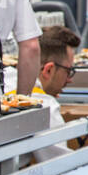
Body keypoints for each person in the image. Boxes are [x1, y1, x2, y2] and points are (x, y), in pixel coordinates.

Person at [28, 25, 81, 161]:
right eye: (68, 71)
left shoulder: (4, 79)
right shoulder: (44, 107)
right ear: (48, 70)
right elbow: (62, 165)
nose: (69, 80)